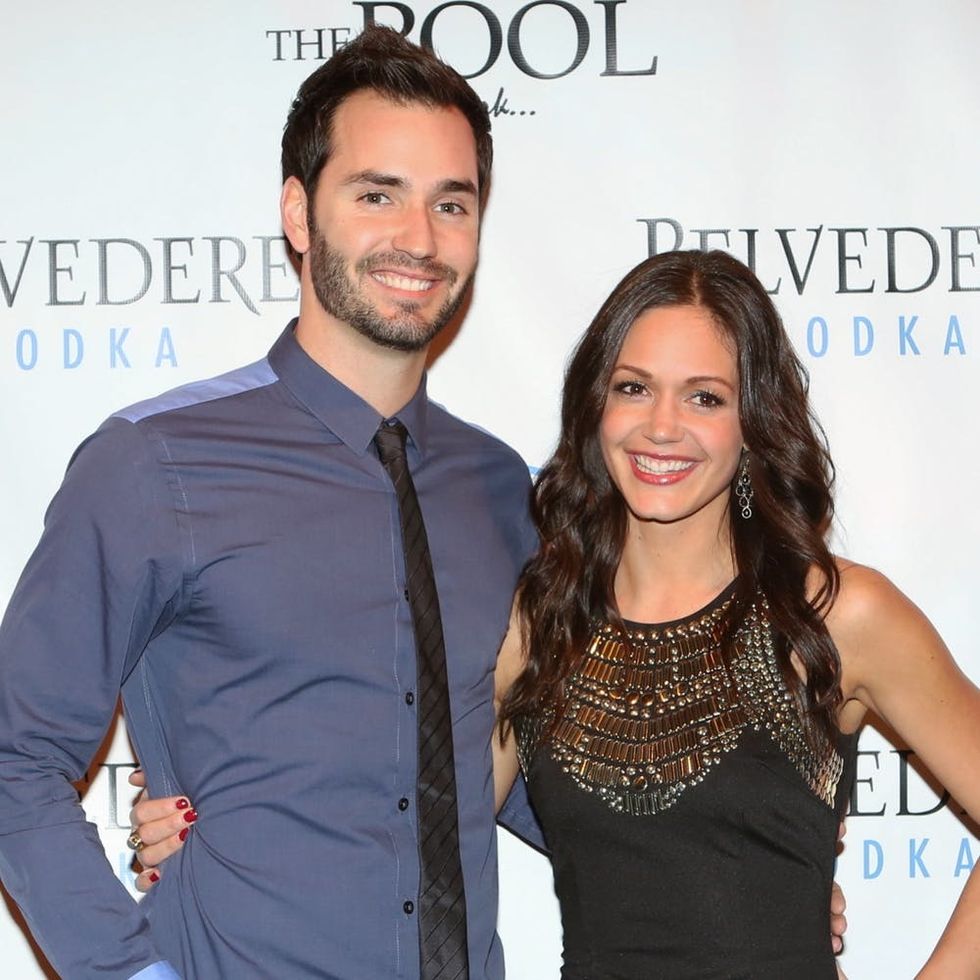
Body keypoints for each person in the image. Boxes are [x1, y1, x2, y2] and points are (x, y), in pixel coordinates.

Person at [0, 26, 540, 980]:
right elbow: (15, 757)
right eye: (377, 194)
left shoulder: (500, 488)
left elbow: (533, 768)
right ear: (299, 212)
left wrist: (740, 834)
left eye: (450, 203)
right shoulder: (157, 464)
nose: (419, 238)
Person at [486, 249, 979, 978]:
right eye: (634, 388)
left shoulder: (834, 614)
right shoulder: (540, 622)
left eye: (705, 398)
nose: (662, 427)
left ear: (753, 421)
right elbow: (432, 852)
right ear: (596, 407)